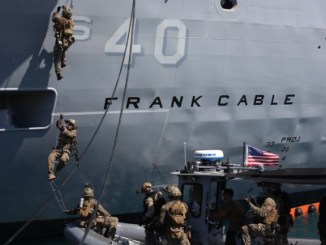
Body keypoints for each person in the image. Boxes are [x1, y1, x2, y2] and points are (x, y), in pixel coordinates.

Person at [48, 114, 78, 180]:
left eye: (70, 124)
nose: (68, 125)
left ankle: (58, 169)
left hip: (66, 150)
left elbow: (69, 134)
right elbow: (58, 125)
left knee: (63, 159)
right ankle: (51, 173)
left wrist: (63, 129)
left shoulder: (74, 132)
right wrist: (60, 119)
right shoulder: (64, 129)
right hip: (58, 149)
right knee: (51, 157)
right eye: (68, 124)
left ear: (73, 126)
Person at [52, 5, 75, 80]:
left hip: (60, 42)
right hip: (68, 42)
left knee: (57, 59)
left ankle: (58, 73)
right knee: (63, 51)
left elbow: (54, 18)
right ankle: (64, 62)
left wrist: (57, 12)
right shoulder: (71, 22)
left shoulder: (61, 19)